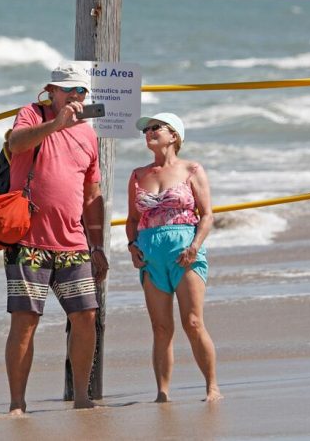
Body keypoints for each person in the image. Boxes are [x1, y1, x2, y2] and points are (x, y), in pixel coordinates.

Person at [3, 62, 108, 413]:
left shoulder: (89, 134)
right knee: (26, 320)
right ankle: (17, 403)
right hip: (28, 240)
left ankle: (81, 396)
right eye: (70, 91)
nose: (77, 97)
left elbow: (92, 195)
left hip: (73, 241)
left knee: (86, 316)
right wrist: (54, 125)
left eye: (82, 91)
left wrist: (97, 245)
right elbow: (15, 143)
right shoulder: (31, 114)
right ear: (52, 91)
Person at [126, 112, 222, 403]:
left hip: (184, 251)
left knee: (192, 322)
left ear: (174, 135)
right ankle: (162, 393)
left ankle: (212, 387)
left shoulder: (191, 169)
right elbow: (132, 219)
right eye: (147, 129)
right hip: (150, 254)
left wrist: (195, 246)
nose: (149, 132)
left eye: (157, 128)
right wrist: (132, 245)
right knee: (160, 327)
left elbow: (207, 216)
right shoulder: (139, 174)